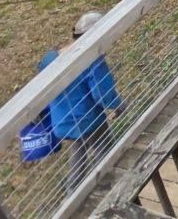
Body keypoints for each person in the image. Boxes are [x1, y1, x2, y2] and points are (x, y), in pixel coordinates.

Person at [38, 11, 124, 193]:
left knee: (79, 147)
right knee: (106, 151)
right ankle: (110, 190)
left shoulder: (49, 59)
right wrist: (118, 105)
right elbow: (102, 92)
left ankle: (73, 191)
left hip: (62, 123)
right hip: (87, 120)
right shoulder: (91, 59)